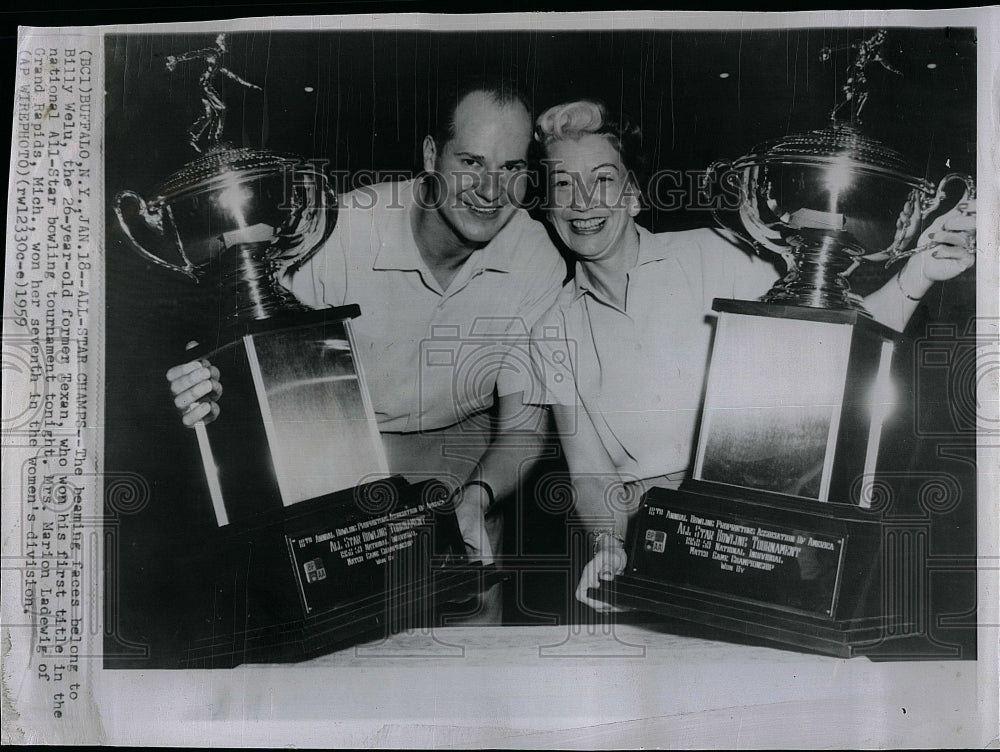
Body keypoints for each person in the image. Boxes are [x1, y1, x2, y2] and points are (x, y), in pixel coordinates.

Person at [526, 100, 977, 613]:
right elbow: (590, 472)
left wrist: (918, 275)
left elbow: (838, 345)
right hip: (655, 542)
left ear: (631, 195)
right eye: (563, 184)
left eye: (603, 179)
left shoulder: (717, 254)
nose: (584, 201)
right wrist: (610, 546)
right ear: (548, 206)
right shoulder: (552, 330)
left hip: (769, 528)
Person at [166, 80, 567, 624]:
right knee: (354, 632)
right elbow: (245, 330)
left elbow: (522, 428)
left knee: (472, 643)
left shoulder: (536, 253)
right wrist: (207, 377)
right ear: (431, 155)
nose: (490, 189)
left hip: (466, 455)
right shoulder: (337, 230)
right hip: (346, 447)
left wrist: (476, 499)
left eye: (512, 167)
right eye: (471, 160)